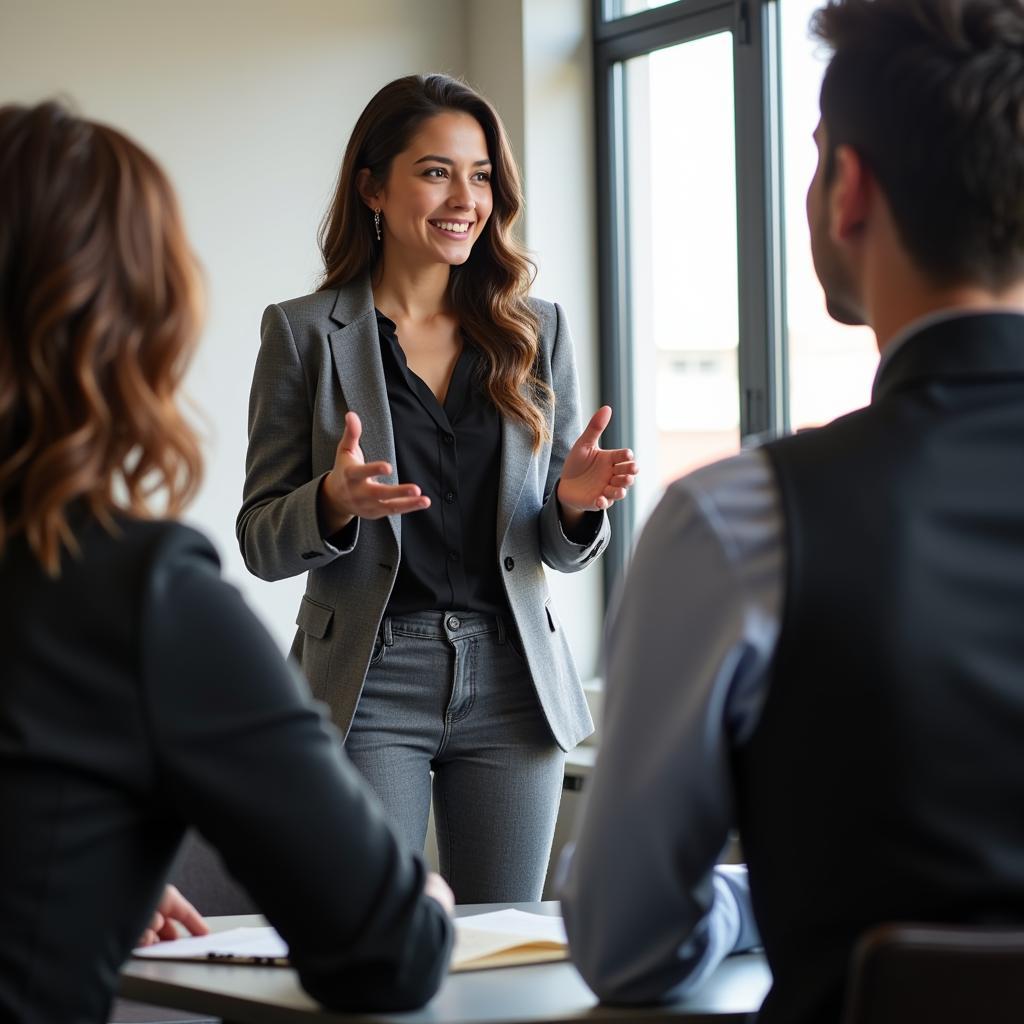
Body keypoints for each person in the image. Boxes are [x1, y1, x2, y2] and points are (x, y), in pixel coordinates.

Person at [561, 1, 1024, 1022]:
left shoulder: (737, 520)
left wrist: (746, 899)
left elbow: (626, 942)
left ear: (848, 189)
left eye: (815, 160)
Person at [0, 100, 454, 1024]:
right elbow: (386, 951)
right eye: (437, 169)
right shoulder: (138, 594)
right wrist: (434, 905)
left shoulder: (533, 332)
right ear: (141, 315)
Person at [237, 73, 636, 903]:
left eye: (481, 174)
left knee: (505, 943)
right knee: (372, 935)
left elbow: (553, 547)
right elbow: (259, 538)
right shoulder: (304, 333)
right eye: (435, 171)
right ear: (373, 188)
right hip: (368, 681)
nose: (466, 198)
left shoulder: (535, 330)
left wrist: (573, 503)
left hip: (514, 680)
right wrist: (331, 504)